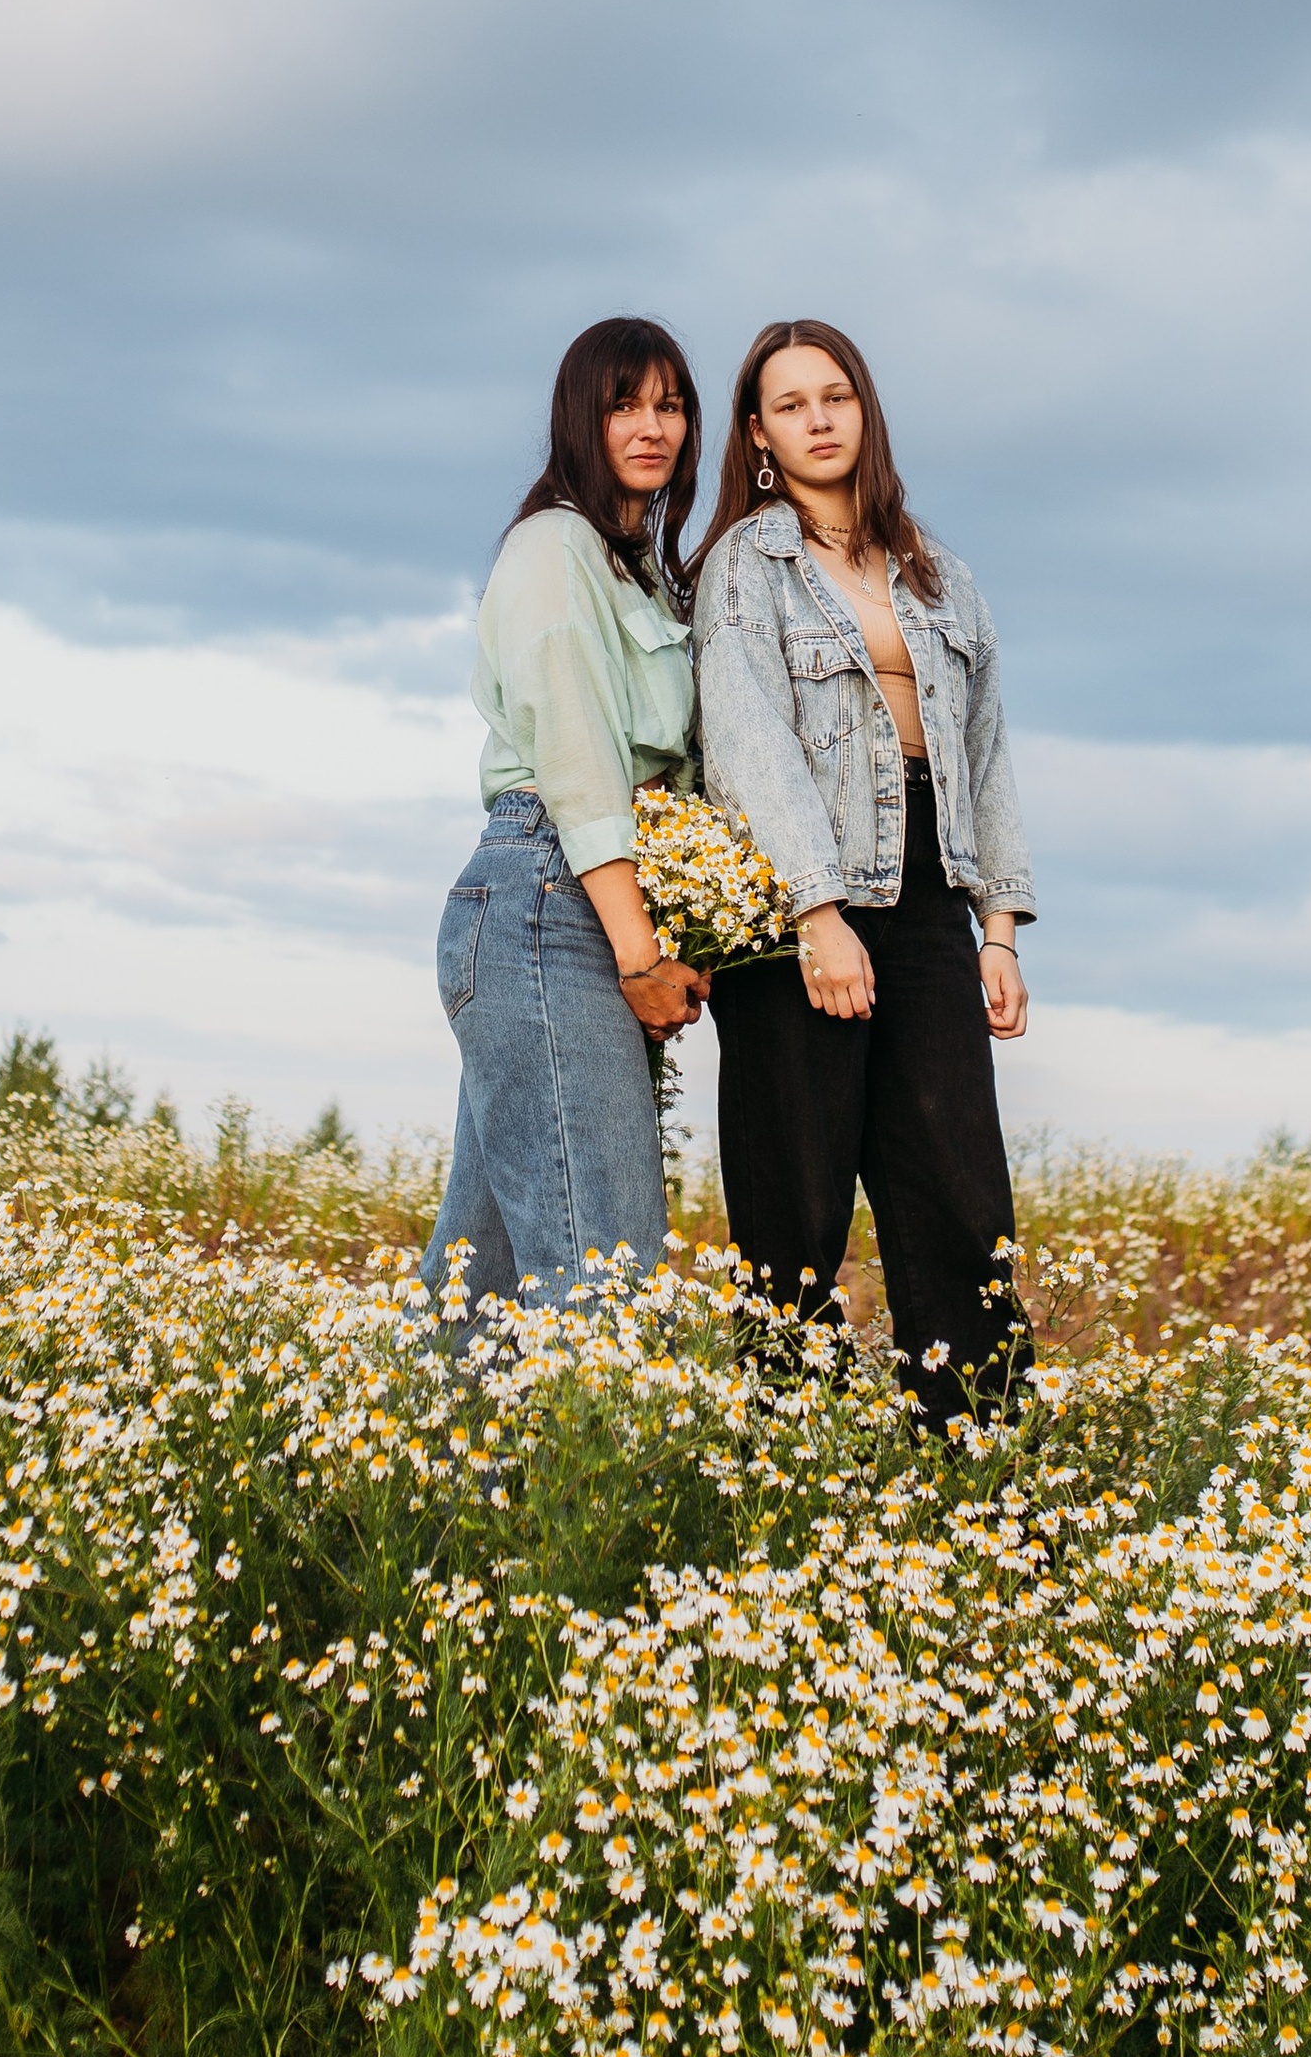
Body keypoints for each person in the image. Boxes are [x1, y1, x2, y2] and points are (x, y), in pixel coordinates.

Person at [691, 318, 1035, 1426]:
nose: (818, 418)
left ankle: (979, 1459)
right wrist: (815, 913)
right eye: (790, 405)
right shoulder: (747, 566)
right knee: (794, 1204)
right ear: (758, 434)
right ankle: (785, 1466)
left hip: (932, 892)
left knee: (957, 1193)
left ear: (863, 408)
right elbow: (749, 745)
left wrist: (999, 927)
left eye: (833, 395)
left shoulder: (937, 571)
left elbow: (984, 752)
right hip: (807, 905)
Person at [422, 318, 712, 1336]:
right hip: (549, 897)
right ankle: (589, 1484)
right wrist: (638, 950)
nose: (651, 427)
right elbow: (581, 753)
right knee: (604, 1272)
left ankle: (420, 1484)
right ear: (578, 418)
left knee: (485, 1277)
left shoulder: (639, 569)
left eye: (669, 405)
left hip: (574, 899)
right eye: (623, 403)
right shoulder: (555, 546)